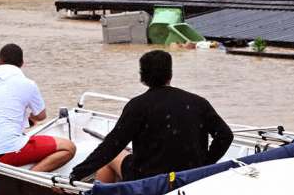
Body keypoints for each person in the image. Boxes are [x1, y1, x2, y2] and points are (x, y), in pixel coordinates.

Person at [69, 50, 233, 184]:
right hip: (190, 176)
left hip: (149, 180)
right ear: (170, 74)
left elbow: (111, 147)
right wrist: (205, 166)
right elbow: (225, 136)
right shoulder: (198, 102)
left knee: (113, 158)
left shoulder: (137, 106)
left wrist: (77, 173)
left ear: (142, 77)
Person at [0, 43, 76, 171]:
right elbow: (41, 116)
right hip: (7, 151)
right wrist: (29, 117)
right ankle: (31, 177)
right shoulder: (28, 84)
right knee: (68, 147)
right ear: (22, 63)